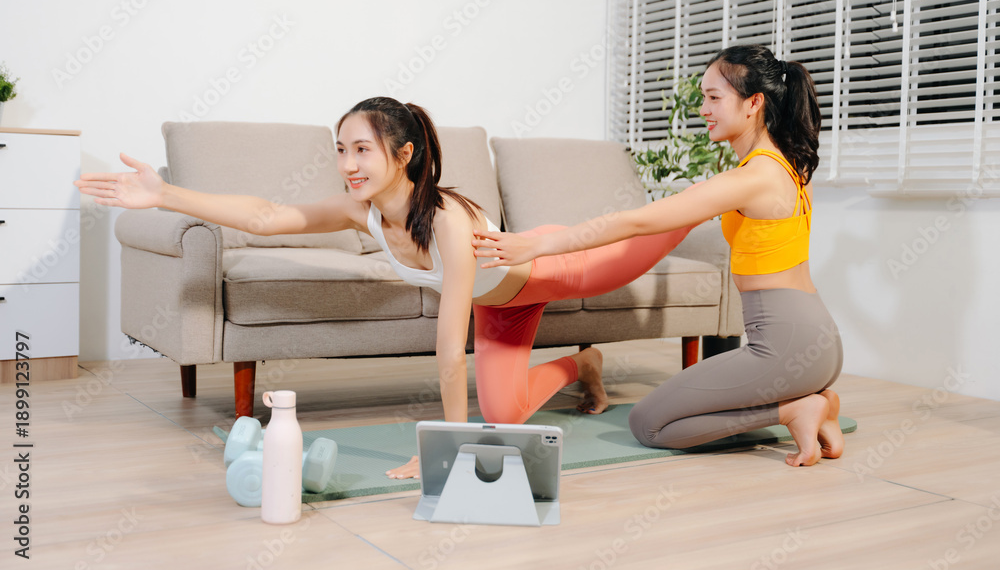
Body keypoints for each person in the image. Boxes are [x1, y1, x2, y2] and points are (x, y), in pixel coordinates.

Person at [74, 96, 695, 479]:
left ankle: (717, 196)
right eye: (341, 149)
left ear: (403, 154)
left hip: (554, 267)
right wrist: (165, 193)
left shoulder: (447, 221)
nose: (348, 164)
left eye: (363, 150)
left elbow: (449, 351)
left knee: (661, 229)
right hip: (502, 310)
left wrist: (448, 449)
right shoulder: (360, 211)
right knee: (505, 416)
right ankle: (583, 364)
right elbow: (265, 215)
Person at [473, 44, 844, 467]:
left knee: (649, 424)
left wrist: (536, 245)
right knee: (679, 411)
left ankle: (796, 409)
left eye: (714, 97)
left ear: (754, 103)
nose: (703, 109)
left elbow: (636, 222)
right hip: (818, 340)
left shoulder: (752, 177)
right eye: (703, 97)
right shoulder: (791, 166)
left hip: (784, 345)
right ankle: (810, 401)